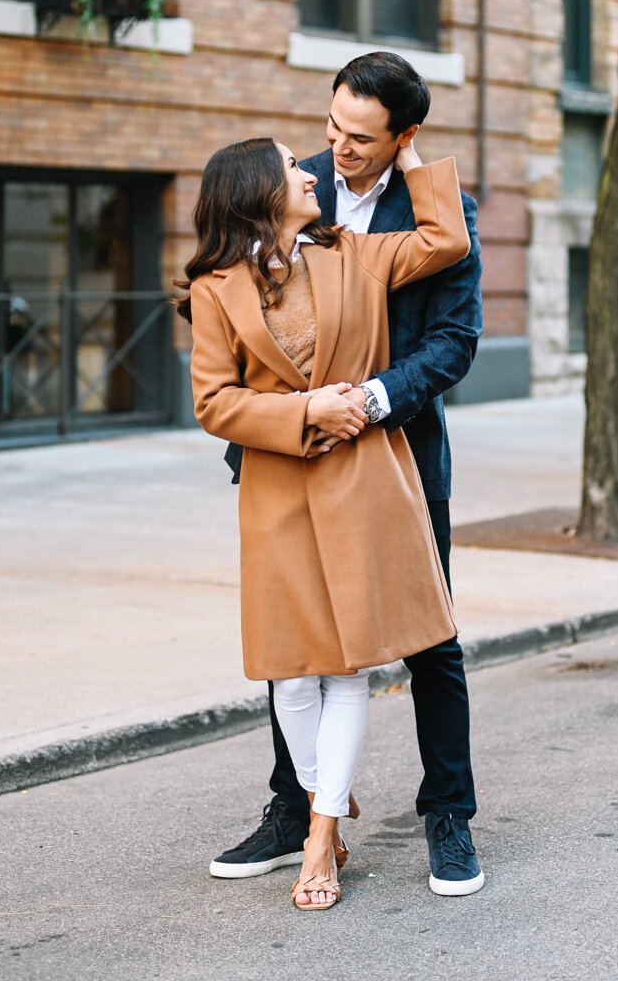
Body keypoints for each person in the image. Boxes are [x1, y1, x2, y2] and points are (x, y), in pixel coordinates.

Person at [211, 52, 485, 898]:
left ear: (405, 136)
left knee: (427, 640)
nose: (338, 149)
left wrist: (369, 400)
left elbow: (453, 344)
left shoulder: (441, 212)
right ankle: (299, 812)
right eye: (330, 128)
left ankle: (449, 815)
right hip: (287, 462)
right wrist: (295, 421)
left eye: (361, 137)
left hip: (394, 455)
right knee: (295, 643)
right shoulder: (293, 191)